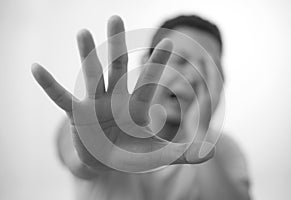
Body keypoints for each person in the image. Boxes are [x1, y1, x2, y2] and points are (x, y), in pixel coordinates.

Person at [32, 14, 251, 200]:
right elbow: (73, 152)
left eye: (206, 68)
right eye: (181, 61)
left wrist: (199, 132)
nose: (193, 76)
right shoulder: (97, 122)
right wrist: (96, 150)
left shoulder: (224, 149)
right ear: (147, 63)